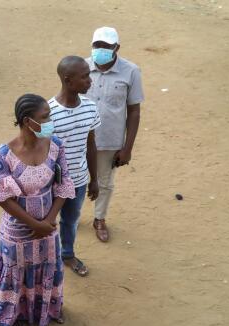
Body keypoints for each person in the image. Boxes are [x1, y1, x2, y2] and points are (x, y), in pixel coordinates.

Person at [0, 94, 76, 326]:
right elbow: (4, 199)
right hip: (18, 231)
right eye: (45, 117)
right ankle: (14, 314)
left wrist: (48, 220)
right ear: (28, 122)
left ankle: (48, 308)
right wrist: (34, 224)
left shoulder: (56, 145)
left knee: (48, 265)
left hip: (48, 227)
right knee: (16, 271)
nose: (50, 120)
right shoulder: (2, 155)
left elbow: (63, 184)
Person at [84, 27, 144, 242]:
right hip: (79, 138)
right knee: (70, 179)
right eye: (97, 45)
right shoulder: (80, 68)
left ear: (116, 48)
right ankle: (67, 217)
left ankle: (99, 218)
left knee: (105, 181)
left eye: (106, 46)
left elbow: (134, 111)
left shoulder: (131, 71)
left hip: (109, 139)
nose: (100, 50)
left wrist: (127, 148)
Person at [48, 56, 101, 277]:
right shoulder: (48, 113)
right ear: (68, 81)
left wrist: (94, 179)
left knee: (70, 221)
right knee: (46, 223)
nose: (90, 80)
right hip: (51, 184)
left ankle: (67, 254)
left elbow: (91, 145)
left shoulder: (90, 108)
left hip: (79, 180)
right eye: (85, 76)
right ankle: (46, 259)